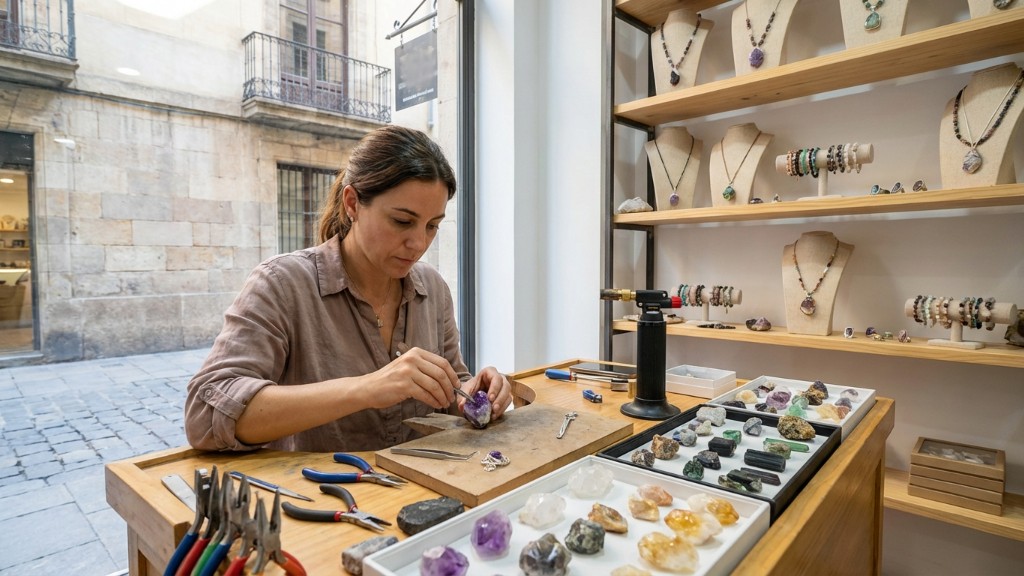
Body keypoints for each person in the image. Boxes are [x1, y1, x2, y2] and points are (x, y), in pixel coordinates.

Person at [185, 125, 512, 452]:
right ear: (353, 203)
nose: (418, 243)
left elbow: (451, 385)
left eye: (432, 226)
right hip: (318, 498)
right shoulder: (283, 284)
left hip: (422, 494)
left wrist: (473, 392)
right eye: (401, 221)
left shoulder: (433, 290)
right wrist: (367, 389)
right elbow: (205, 415)